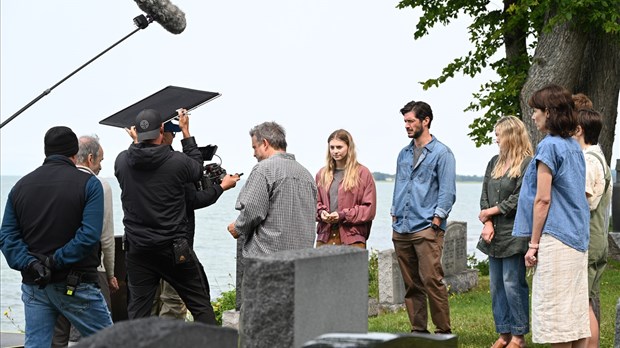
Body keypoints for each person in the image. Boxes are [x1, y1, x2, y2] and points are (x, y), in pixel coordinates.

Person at [115, 109, 240, 324]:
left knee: (138, 313)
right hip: (172, 249)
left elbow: (137, 157)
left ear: (136, 133)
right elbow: (196, 170)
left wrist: (137, 144)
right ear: (162, 130)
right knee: (200, 306)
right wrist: (186, 131)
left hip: (138, 250)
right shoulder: (176, 162)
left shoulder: (122, 162)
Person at [0, 126, 113, 347]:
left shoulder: (20, 187)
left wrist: (32, 263)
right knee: (111, 341)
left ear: (46, 151)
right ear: (74, 152)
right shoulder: (90, 185)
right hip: (76, 283)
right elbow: (89, 235)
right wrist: (55, 261)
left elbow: (7, 237)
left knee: (37, 344)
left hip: (35, 283)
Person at [513, 84, 590, 347]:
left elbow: (543, 199)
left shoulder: (549, 147)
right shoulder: (573, 146)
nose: (532, 116)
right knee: (575, 320)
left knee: (557, 322)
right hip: (577, 239)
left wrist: (533, 245)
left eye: (535, 110)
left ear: (548, 112)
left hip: (556, 239)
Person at [147, 121, 239, 320]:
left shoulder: (134, 162)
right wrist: (220, 187)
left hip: (144, 245)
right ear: (165, 134)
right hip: (175, 244)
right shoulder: (176, 163)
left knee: (149, 301)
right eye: (172, 132)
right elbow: (193, 199)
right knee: (174, 300)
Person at [391, 101, 456, 334]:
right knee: (411, 284)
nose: (407, 126)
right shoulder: (403, 153)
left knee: (432, 281)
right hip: (402, 227)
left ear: (425, 121)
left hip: (426, 228)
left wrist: (437, 221)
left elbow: (447, 192)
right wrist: (394, 213)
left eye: (411, 121)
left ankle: (443, 333)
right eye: (405, 122)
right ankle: (418, 331)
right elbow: (400, 185)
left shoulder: (442, 153)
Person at [52, 135, 119, 347]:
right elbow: (106, 236)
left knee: (59, 334)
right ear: (90, 158)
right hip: (90, 269)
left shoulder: (58, 181)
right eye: (100, 160)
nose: (100, 167)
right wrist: (110, 274)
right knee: (95, 334)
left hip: (55, 267)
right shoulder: (99, 185)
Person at [476, 116, 532, 348]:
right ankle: (504, 333)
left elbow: (520, 198)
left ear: (511, 135)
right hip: (494, 234)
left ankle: (518, 336)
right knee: (496, 285)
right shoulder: (493, 162)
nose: (495, 138)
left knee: (512, 283)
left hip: (514, 232)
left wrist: (492, 211)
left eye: (499, 134)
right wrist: (487, 221)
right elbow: (485, 194)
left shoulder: (528, 163)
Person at [227, 121, 317, 257]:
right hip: (301, 260)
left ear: (265, 143)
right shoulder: (306, 175)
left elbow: (252, 209)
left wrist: (238, 227)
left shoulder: (264, 169)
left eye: (254, 147)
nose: (253, 154)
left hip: (268, 259)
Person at [573, 108, 612, 348]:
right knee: (587, 300)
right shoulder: (600, 157)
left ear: (579, 130)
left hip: (588, 239)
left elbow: (584, 203)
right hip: (598, 239)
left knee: (582, 304)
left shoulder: (588, 161)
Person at [315, 129, 376, 248]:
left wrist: (343, 215)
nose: (335, 151)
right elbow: (313, 203)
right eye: (332, 147)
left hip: (353, 238)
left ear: (349, 147)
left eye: (339, 147)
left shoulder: (363, 173)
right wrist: (321, 212)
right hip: (325, 237)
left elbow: (369, 209)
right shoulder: (321, 174)